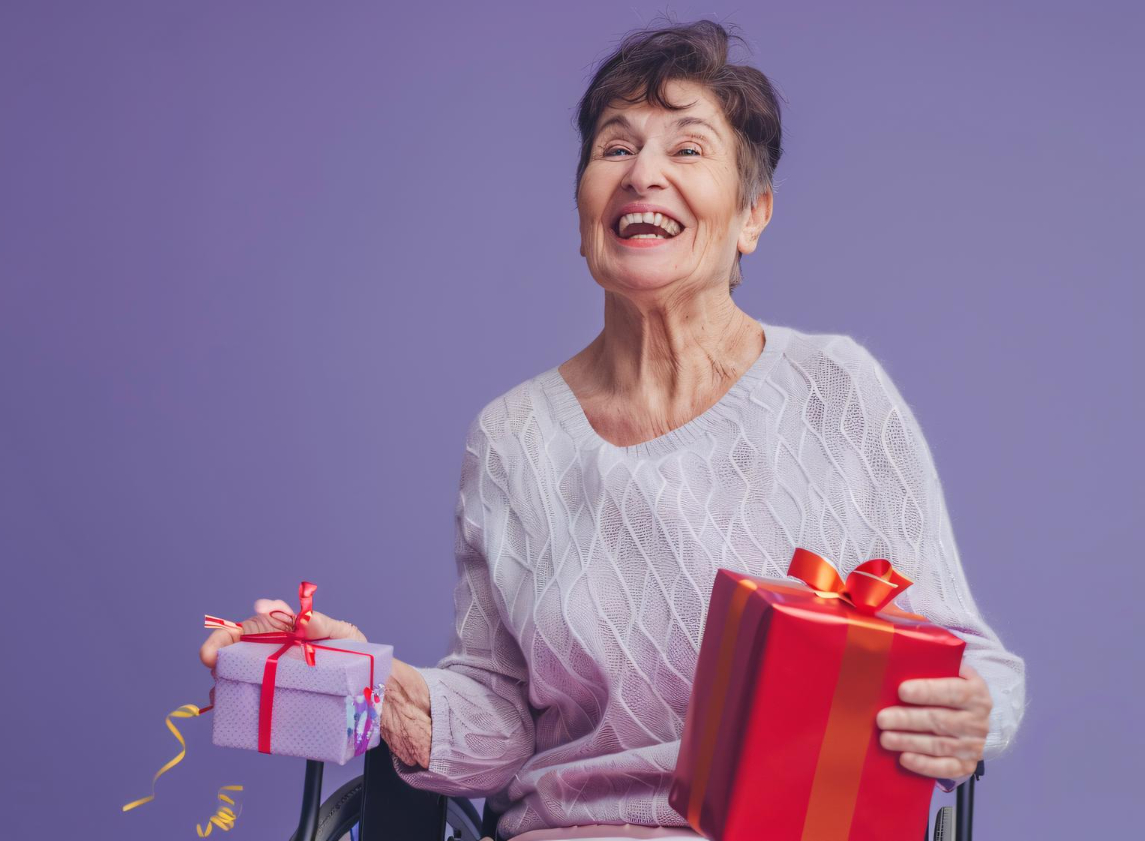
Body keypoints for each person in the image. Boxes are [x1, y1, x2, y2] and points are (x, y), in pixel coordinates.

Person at [200, 18, 1025, 841]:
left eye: (688, 149)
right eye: (615, 148)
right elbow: (496, 715)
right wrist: (372, 685)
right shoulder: (513, 437)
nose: (644, 175)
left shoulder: (835, 390)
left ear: (753, 214)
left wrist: (966, 714)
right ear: (585, 208)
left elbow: (974, 662)